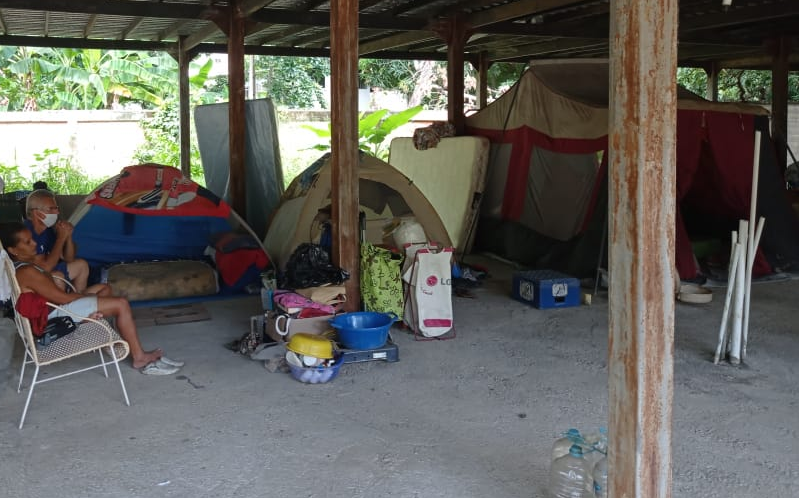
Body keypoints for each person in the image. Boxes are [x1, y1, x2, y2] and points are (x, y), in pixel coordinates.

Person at [0, 221, 184, 375]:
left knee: (104, 289)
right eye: (27, 242)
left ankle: (98, 331)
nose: (34, 244)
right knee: (121, 304)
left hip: (53, 308)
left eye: (31, 239)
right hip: (54, 318)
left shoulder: (23, 265)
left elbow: (56, 285)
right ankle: (139, 358)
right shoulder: (26, 271)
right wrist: (85, 297)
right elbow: (62, 299)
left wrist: (87, 298)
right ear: (13, 250)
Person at [23, 189, 90, 292]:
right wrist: (61, 238)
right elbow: (45, 268)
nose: (57, 212)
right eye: (51, 209)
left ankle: (78, 304)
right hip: (31, 280)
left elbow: (69, 258)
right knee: (57, 276)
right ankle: (62, 305)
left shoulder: (47, 230)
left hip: (47, 272)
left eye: (57, 208)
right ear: (37, 213)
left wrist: (68, 236)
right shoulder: (27, 232)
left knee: (82, 265)